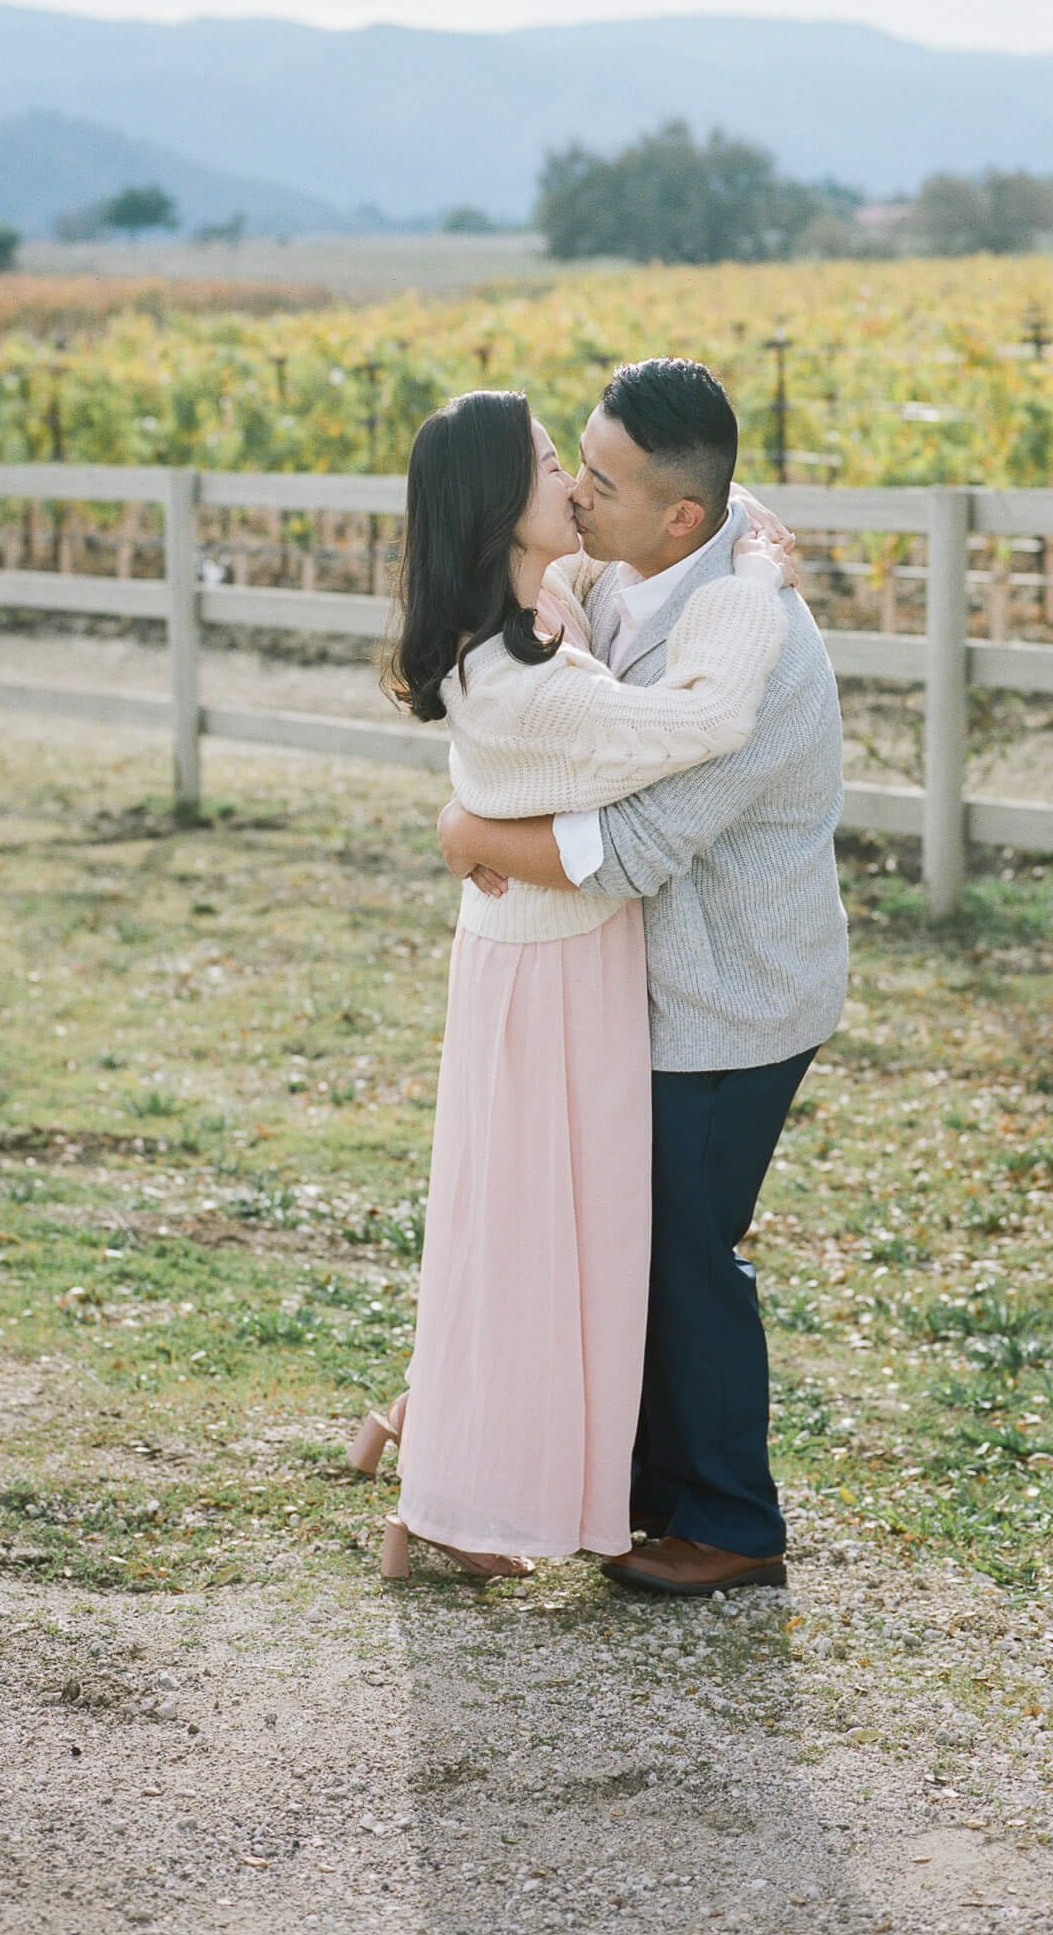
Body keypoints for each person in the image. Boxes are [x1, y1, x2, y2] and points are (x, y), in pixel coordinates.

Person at [352, 386, 799, 1582]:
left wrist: (476, 831)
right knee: (549, 1233)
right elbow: (674, 707)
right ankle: (471, 1461)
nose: (578, 491)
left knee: (600, 1241)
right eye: (563, 467)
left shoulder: (571, 605)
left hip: (646, 977)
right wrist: (752, 571)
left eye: (593, 474)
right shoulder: (555, 637)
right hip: (571, 971)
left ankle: (656, 1509)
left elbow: (640, 830)